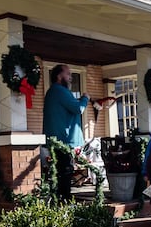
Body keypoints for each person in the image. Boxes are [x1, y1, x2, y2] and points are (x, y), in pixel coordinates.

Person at [43, 64, 110, 200]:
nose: (70, 77)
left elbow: (69, 107)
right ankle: (64, 201)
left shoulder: (52, 92)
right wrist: (85, 98)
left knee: (59, 171)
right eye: (68, 74)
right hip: (63, 139)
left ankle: (59, 200)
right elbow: (78, 109)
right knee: (65, 170)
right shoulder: (60, 91)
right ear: (58, 76)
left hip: (55, 139)